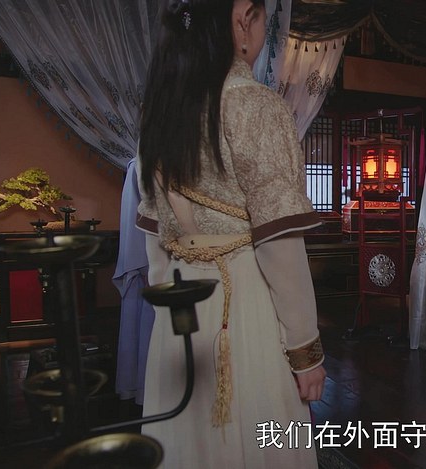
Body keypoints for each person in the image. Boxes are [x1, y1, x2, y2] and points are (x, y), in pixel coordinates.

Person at [136, 0, 325, 466]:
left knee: (188, 441)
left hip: (179, 307)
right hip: (242, 307)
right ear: (243, 22)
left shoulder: (159, 115)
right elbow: (279, 248)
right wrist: (306, 352)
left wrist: (167, 307)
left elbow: (156, 243)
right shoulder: (255, 107)